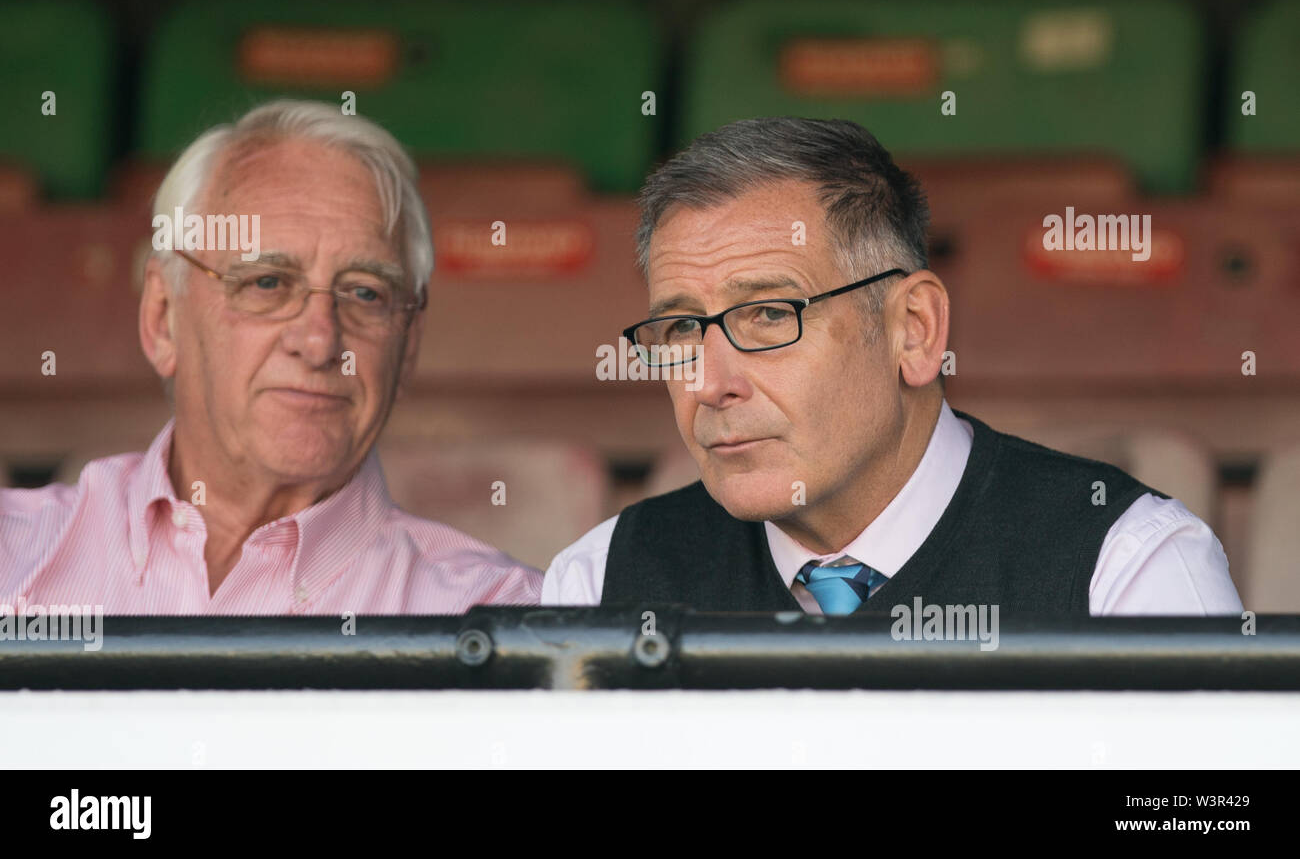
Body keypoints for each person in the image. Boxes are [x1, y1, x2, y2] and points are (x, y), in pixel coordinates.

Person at [543, 117, 1242, 616]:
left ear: (914, 330)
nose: (709, 382)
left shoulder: (1125, 571)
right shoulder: (602, 582)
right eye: (681, 329)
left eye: (769, 316)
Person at [0, 100, 540, 613]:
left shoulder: (497, 617)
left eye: (366, 293)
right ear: (163, 317)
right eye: (267, 283)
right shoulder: (13, 558)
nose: (319, 342)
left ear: (409, 343)